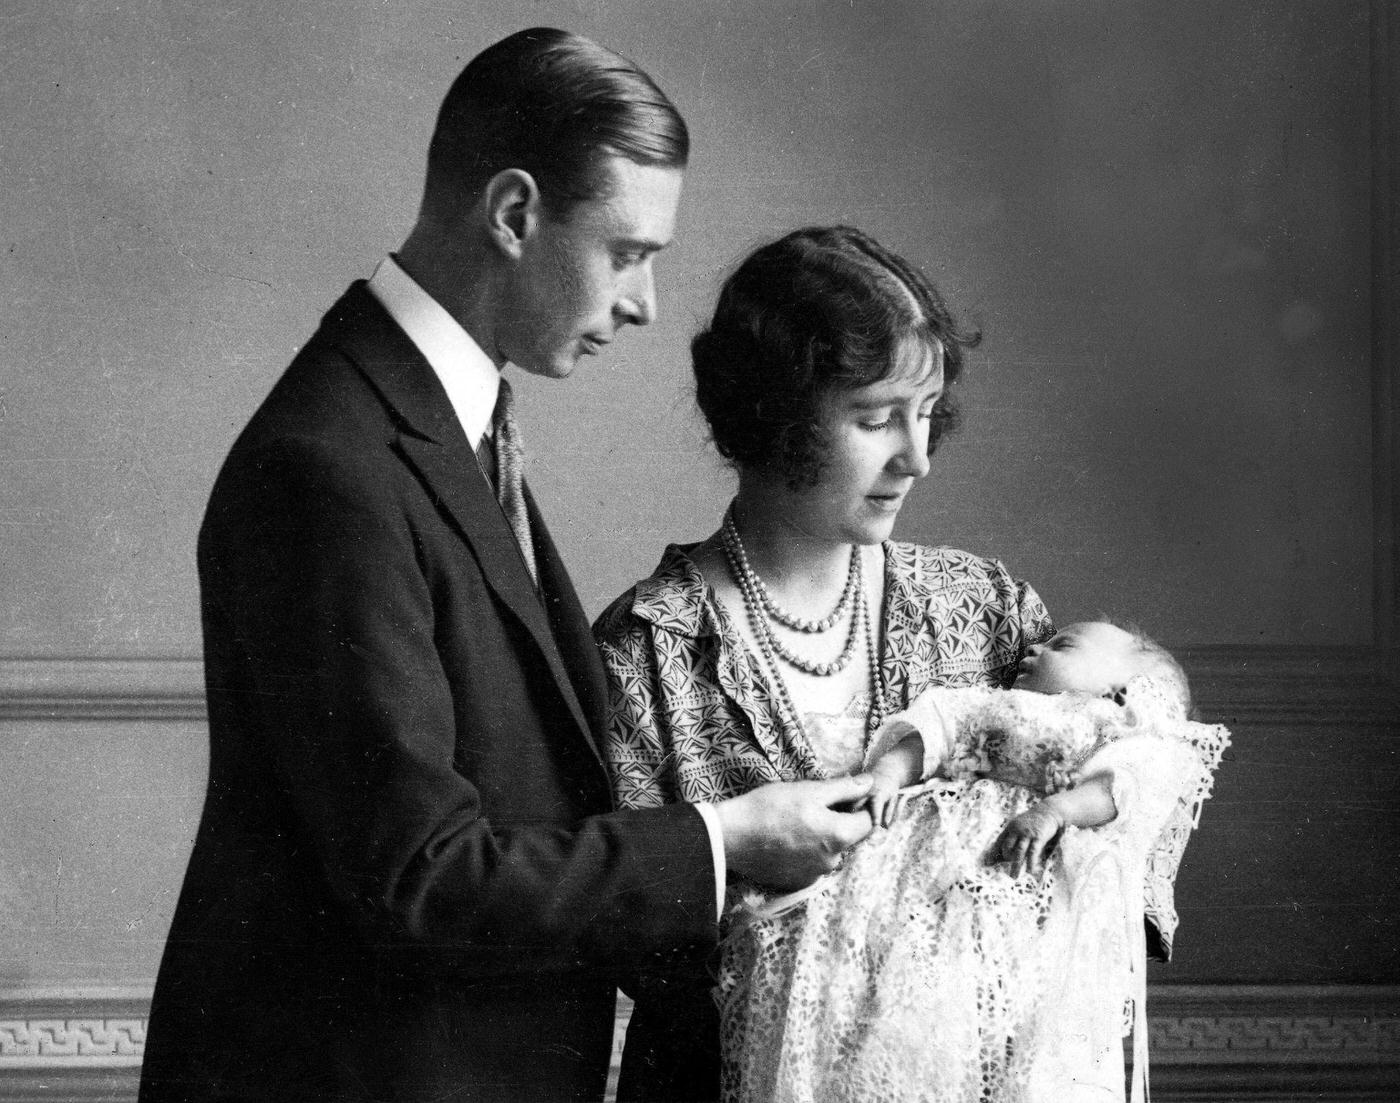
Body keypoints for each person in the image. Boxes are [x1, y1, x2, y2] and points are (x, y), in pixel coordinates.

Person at [139, 32, 874, 1103]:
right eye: (627, 253)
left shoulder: (440, 428)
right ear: (515, 213)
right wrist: (722, 841)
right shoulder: (328, 463)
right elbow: (422, 878)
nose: (646, 304)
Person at [593, 227, 1221, 1101]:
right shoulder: (648, 648)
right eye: (877, 417)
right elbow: (623, 936)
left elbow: (1134, 825)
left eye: (926, 415)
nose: (917, 458)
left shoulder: (988, 607)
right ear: (774, 412)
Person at [718, 621, 1228, 1102]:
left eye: (1063, 646)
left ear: (1123, 692)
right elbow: (936, 732)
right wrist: (890, 777)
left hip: (1016, 877)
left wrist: (1054, 810)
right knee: (888, 964)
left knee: (998, 1003)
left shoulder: (1115, 730)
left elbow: (1119, 791)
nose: (1034, 649)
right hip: (923, 862)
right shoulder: (995, 704)